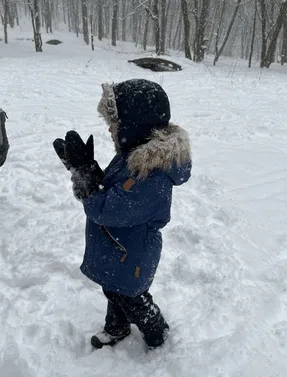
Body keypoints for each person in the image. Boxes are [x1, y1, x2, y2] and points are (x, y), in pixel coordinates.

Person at [53, 79, 192, 350]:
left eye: (115, 123)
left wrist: (84, 176)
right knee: (113, 289)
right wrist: (90, 170)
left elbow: (108, 209)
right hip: (119, 250)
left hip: (132, 255)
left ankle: (157, 331)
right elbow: (113, 191)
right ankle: (116, 327)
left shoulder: (151, 174)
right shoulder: (135, 156)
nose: (109, 129)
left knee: (131, 297)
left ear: (135, 125)